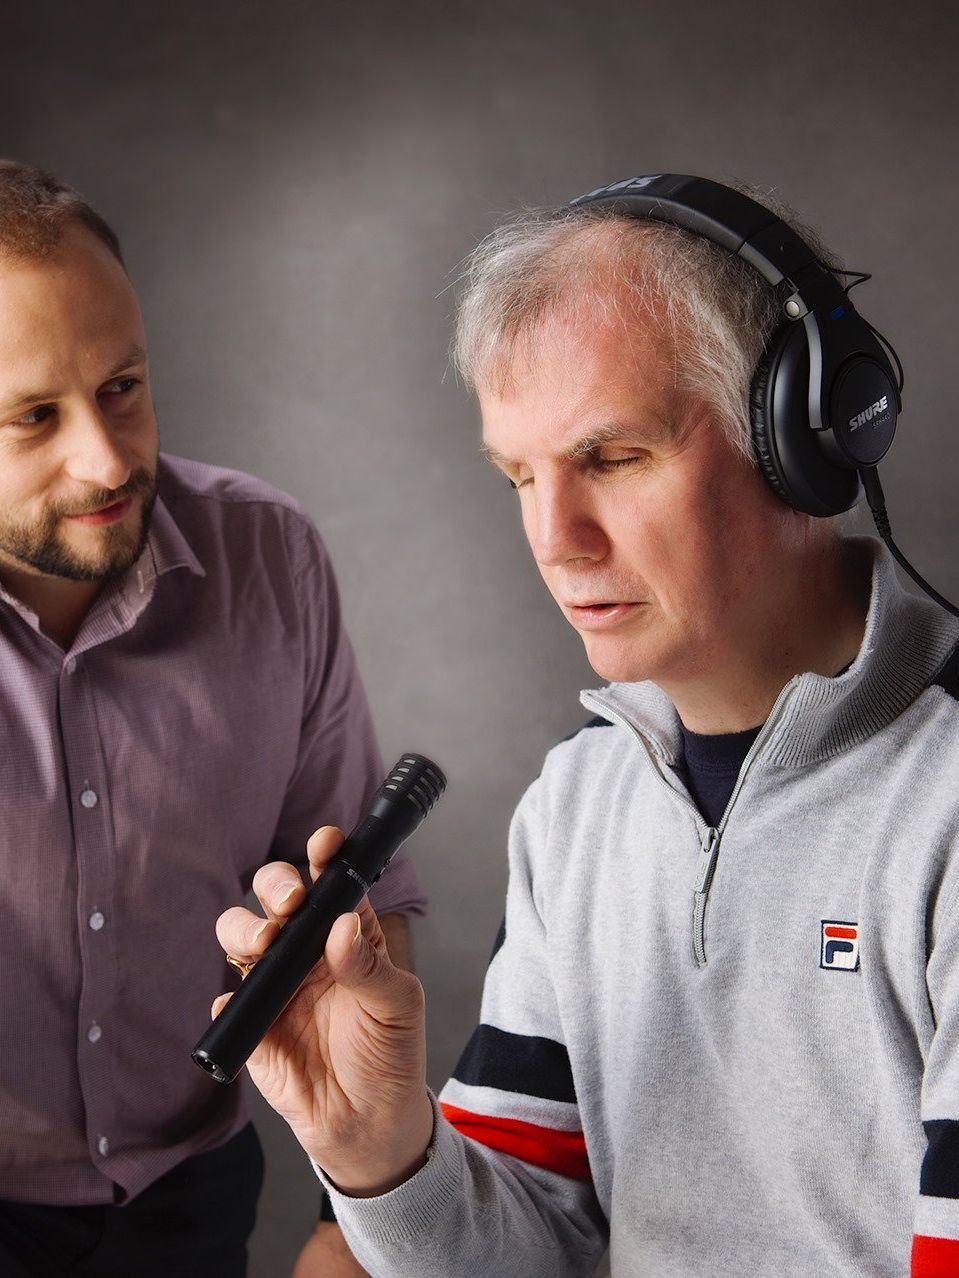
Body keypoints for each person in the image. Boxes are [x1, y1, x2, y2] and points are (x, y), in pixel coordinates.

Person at [214, 177, 959, 1277]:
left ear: (806, 436)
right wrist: (382, 1153)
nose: (554, 539)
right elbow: (530, 1256)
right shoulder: (580, 800)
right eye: (520, 474)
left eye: (611, 459)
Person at [0, 159, 427, 1278]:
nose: (102, 458)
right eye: (33, 417)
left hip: (192, 1199)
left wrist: (358, 1217)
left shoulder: (268, 555)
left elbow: (361, 900)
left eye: (123, 387)